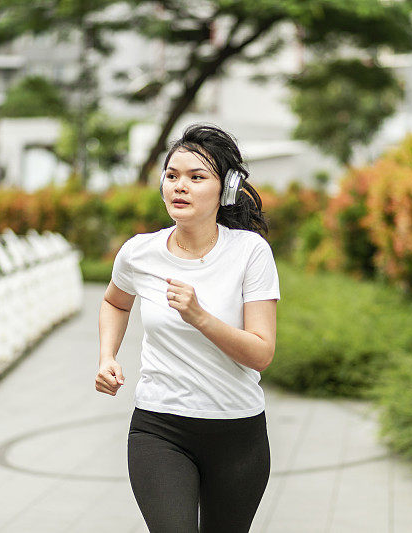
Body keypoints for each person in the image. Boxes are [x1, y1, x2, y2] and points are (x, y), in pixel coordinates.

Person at [95, 123, 280, 532]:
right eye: (173, 176)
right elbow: (113, 301)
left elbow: (261, 352)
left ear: (225, 189)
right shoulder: (139, 253)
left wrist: (200, 317)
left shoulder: (250, 253)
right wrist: (108, 356)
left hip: (237, 433)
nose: (180, 186)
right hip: (160, 428)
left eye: (197, 178)